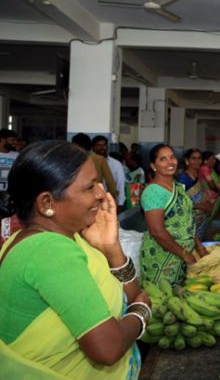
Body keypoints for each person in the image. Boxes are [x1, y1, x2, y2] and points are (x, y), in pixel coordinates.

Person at [0, 140, 150, 379]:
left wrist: (112, 249)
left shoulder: (53, 238)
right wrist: (142, 313)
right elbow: (108, 347)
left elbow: (129, 295)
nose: (102, 194)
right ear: (47, 203)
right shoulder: (50, 251)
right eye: (90, 187)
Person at [140, 144, 207, 285]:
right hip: (161, 258)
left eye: (172, 157)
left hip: (181, 257)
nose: (170, 162)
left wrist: (198, 246)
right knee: (162, 300)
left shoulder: (177, 187)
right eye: (163, 159)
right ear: (154, 166)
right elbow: (156, 231)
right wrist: (184, 254)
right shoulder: (153, 192)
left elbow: (187, 220)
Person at [177, 149, 214, 239]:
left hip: (201, 221)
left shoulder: (197, 178)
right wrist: (199, 206)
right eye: (193, 158)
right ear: (187, 161)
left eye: (199, 158)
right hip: (189, 223)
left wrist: (208, 205)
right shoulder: (183, 179)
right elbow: (179, 202)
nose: (197, 161)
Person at [71, 133, 118, 200]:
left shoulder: (70, 160)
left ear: (74, 145)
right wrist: (113, 198)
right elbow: (110, 182)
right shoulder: (100, 159)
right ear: (90, 146)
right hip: (95, 196)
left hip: (76, 197)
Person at [93, 136, 126, 210]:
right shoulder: (89, 163)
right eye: (98, 145)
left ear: (107, 146)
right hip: (94, 202)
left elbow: (120, 185)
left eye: (104, 145)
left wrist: (120, 204)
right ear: (93, 148)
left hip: (111, 202)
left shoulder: (116, 164)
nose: (102, 147)